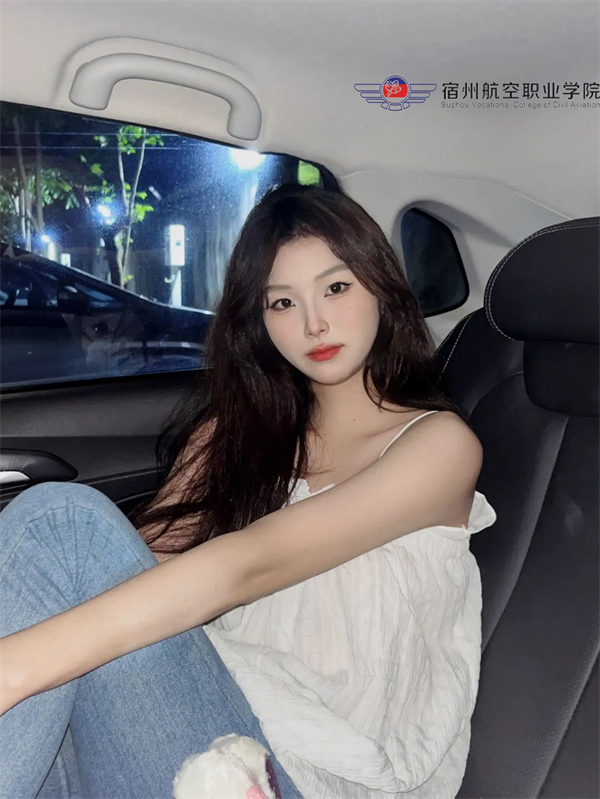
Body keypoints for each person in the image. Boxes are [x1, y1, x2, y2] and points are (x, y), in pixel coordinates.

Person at [0, 183, 496, 799]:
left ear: (381, 287)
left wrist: (12, 669)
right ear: (259, 321)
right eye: (282, 302)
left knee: (61, 521)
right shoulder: (235, 434)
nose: (314, 323)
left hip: (300, 771)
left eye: (336, 288)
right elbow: (140, 562)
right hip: (204, 712)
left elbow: (251, 563)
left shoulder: (440, 447)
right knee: (59, 535)